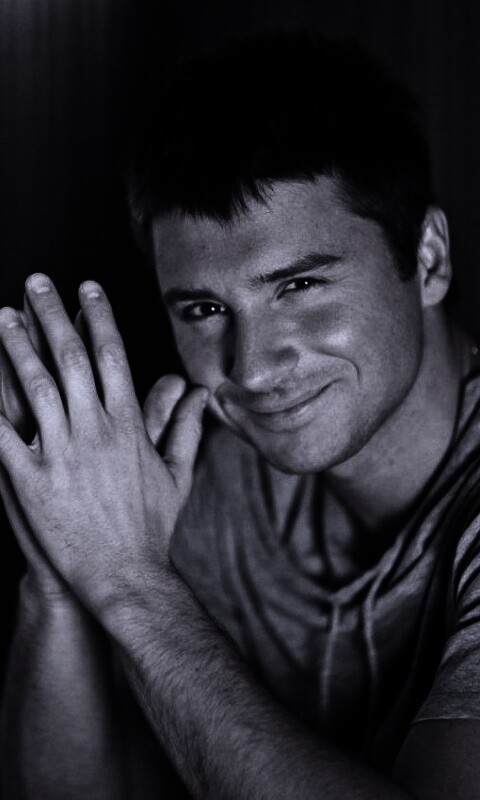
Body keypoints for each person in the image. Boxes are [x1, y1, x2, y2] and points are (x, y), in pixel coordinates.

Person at [1, 31, 480, 799]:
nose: (251, 368)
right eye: (205, 309)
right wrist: (62, 565)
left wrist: (128, 581)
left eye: (299, 287)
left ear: (427, 260)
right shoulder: (217, 482)